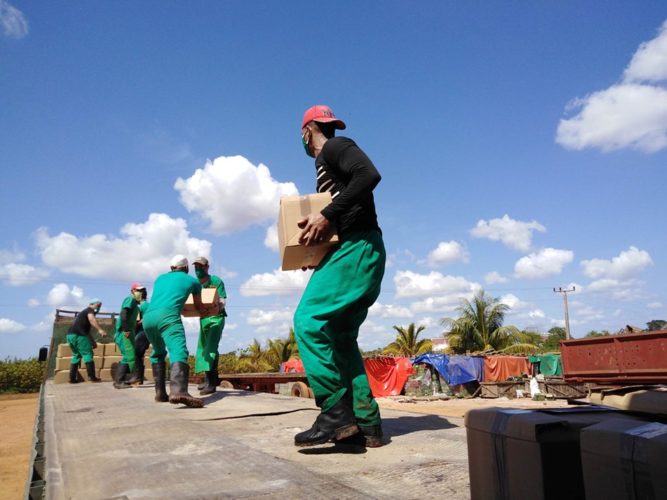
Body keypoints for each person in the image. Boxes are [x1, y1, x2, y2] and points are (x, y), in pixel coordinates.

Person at [293, 105, 386, 448]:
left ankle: (334, 413)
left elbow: (369, 175)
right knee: (341, 337)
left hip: (357, 248)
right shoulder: (326, 169)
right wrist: (315, 252)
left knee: (308, 320)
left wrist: (326, 214)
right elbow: (345, 211)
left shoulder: (335, 147)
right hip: (359, 251)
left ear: (307, 132)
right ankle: (366, 423)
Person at [142, 255, 207, 408]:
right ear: (186, 268)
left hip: (148, 318)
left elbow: (167, 296)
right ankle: (178, 391)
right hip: (168, 316)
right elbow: (199, 305)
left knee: (158, 352)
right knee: (178, 351)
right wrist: (209, 310)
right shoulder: (192, 281)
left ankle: (160, 393)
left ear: (171, 268)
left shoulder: (160, 278)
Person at [192, 256, 228, 395]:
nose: (198, 269)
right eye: (196, 267)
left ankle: (212, 384)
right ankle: (209, 380)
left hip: (216, 318)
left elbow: (223, 300)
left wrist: (216, 306)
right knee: (203, 349)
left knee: (210, 348)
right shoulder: (195, 284)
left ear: (207, 267)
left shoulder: (216, 281)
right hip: (203, 319)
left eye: (201, 266)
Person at [67, 299, 108, 383]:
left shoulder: (82, 314)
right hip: (79, 336)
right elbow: (91, 319)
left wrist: (92, 341)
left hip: (70, 335)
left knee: (76, 355)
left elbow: (86, 332)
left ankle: (72, 378)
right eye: (98, 305)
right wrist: (100, 329)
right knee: (87, 354)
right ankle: (92, 377)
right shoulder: (89, 310)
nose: (99, 308)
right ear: (91, 304)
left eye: (100, 306)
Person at [113, 283, 145, 389]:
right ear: (132, 291)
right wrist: (126, 329)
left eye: (141, 290)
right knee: (127, 355)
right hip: (124, 332)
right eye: (138, 290)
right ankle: (119, 381)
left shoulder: (135, 304)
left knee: (129, 355)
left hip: (128, 331)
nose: (140, 292)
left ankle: (120, 380)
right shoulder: (130, 299)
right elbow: (123, 313)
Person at [133, 286, 150, 385]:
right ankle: (139, 378)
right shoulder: (140, 306)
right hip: (140, 332)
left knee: (137, 354)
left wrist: (137, 323)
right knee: (138, 355)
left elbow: (148, 317)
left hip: (144, 332)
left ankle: (138, 377)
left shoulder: (145, 305)